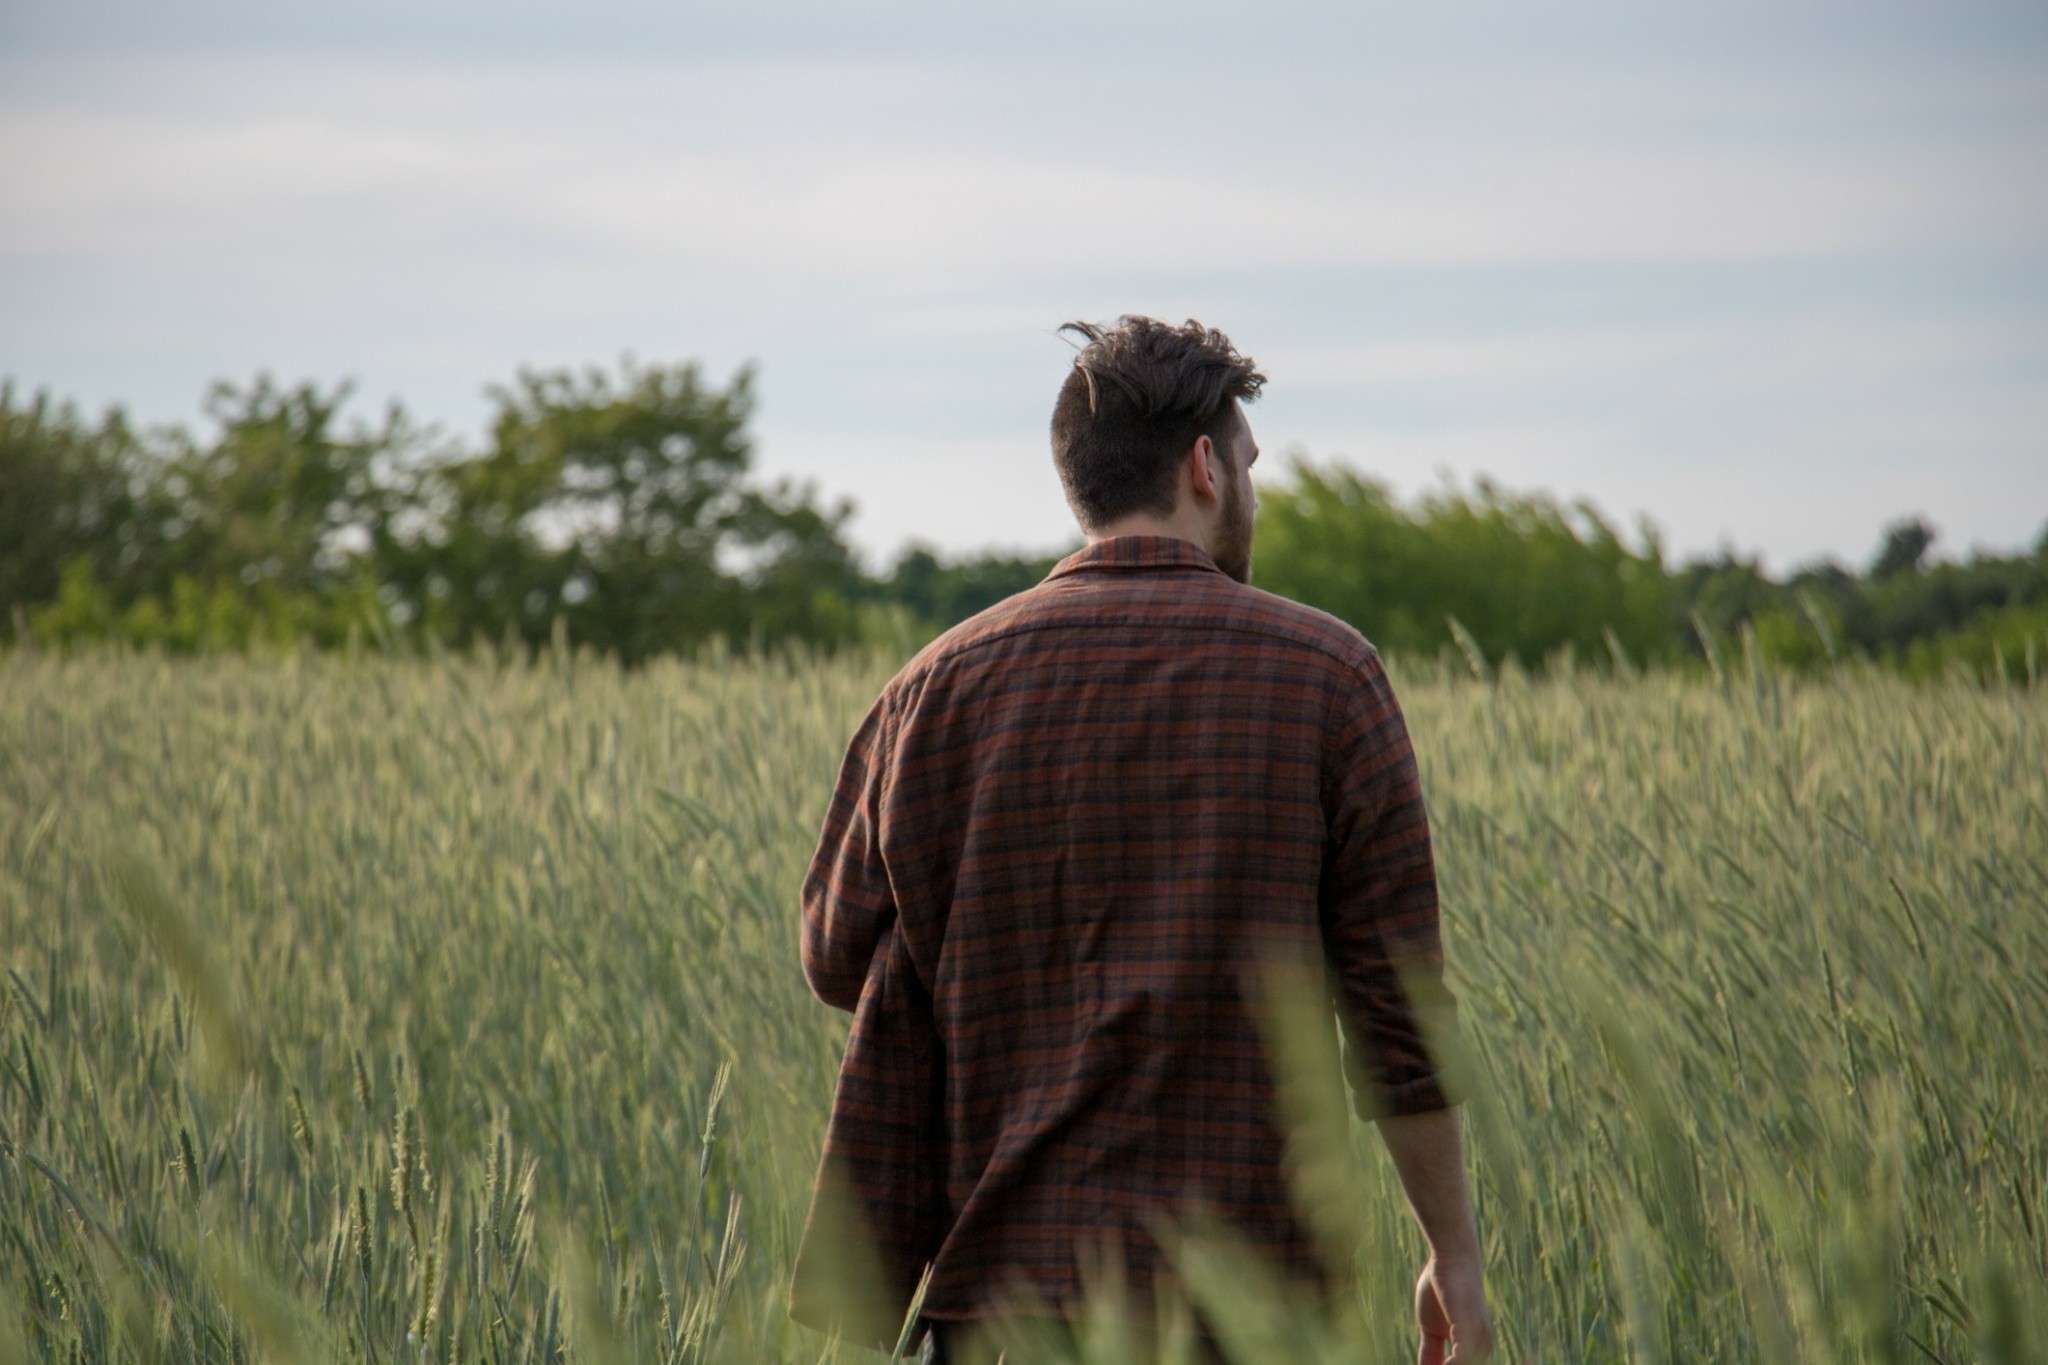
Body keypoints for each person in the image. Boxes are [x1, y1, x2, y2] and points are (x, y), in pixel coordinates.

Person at [790, 316, 1494, 1364]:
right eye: (1249, 464)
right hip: (1251, 1316)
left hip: (1002, 1308)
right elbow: (1399, 1020)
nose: (1251, 488)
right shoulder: (1327, 679)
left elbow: (835, 957)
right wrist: (1453, 1258)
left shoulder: (930, 693)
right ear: (1204, 468)